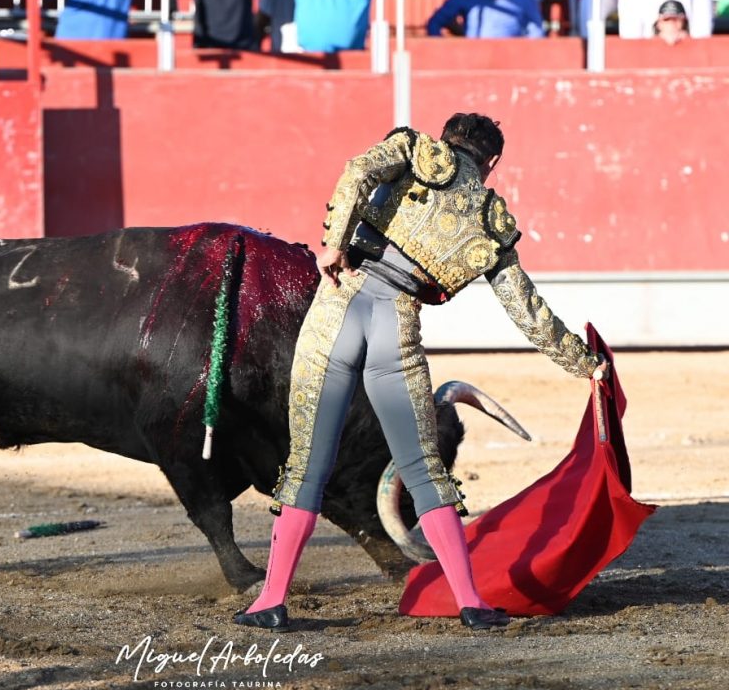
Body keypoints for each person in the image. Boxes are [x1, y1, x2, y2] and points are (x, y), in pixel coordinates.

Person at [233, 113, 607, 633]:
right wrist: (585, 363)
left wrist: (334, 243)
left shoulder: (414, 151)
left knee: (308, 466)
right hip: (398, 323)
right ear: (492, 162)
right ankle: (471, 602)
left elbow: (356, 171)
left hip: (341, 302)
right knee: (424, 469)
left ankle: (271, 600)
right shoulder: (492, 218)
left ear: (448, 139)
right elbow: (527, 309)